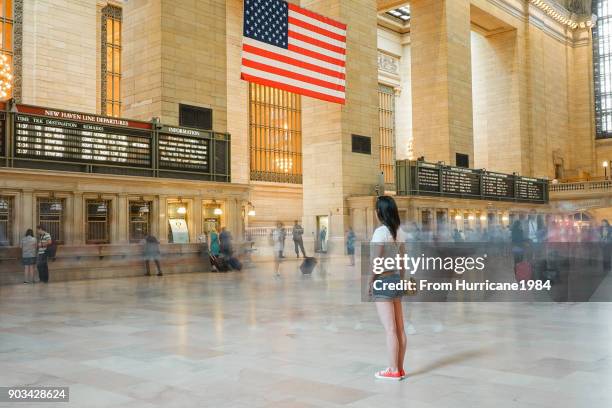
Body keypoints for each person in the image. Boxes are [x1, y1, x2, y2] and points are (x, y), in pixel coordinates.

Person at [369, 196, 407, 381]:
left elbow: (376, 261)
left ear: (380, 212)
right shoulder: (400, 232)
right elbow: (402, 262)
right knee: (400, 328)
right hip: (396, 278)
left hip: (383, 279)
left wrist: (370, 282)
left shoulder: (380, 233)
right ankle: (399, 368)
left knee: (390, 329)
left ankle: (392, 370)